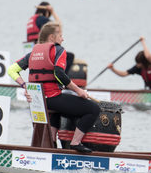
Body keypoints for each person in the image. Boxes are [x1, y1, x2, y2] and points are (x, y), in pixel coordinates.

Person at [8, 22, 100, 153]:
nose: (63, 39)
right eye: (61, 35)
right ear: (52, 37)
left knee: (58, 110)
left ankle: (52, 144)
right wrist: (79, 91)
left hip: (38, 102)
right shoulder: (59, 50)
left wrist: (24, 86)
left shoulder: (32, 53)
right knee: (93, 109)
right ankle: (75, 143)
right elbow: (59, 73)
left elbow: (11, 70)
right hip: (52, 98)